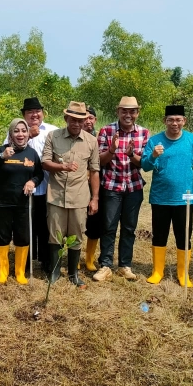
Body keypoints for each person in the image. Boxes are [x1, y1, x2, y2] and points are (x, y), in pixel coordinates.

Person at [140, 105, 193, 286]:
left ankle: (183, 273)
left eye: (178, 120)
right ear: (164, 121)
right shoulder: (155, 141)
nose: (174, 123)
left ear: (184, 121)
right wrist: (153, 156)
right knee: (159, 235)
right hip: (160, 197)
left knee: (184, 236)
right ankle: (157, 271)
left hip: (185, 198)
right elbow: (145, 166)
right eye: (170, 120)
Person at [41, 101, 100, 288]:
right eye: (73, 120)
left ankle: (74, 273)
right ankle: (55, 271)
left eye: (80, 120)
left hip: (79, 196)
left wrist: (95, 198)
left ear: (86, 121)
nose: (76, 124)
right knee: (55, 235)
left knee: (77, 235)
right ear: (66, 118)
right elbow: (45, 163)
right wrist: (62, 166)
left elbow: (95, 171)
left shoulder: (91, 141)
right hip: (56, 195)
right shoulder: (53, 136)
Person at [93, 96, 149, 282]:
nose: (128, 114)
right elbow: (98, 162)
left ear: (137, 113)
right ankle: (105, 265)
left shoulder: (143, 133)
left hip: (134, 187)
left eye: (132, 111)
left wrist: (132, 155)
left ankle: (125, 265)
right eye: (124, 110)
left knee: (129, 228)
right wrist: (111, 150)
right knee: (108, 226)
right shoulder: (107, 130)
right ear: (118, 112)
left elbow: (145, 163)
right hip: (111, 186)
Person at [0, 118, 44, 284]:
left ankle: (20, 273)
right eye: (16, 131)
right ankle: (3, 273)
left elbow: (39, 174)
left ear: (28, 133)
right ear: (11, 134)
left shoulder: (32, 153)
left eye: (24, 131)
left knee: (23, 237)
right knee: (2, 237)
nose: (21, 134)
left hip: (23, 204)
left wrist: (32, 181)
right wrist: (1, 157)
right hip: (1, 202)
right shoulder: (3, 150)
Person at [11, 98, 57, 276]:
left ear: (43, 113)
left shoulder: (53, 131)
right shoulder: (18, 130)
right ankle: (26, 262)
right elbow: (8, 149)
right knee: (24, 226)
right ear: (24, 115)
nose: (34, 115)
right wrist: (28, 134)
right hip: (23, 188)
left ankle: (46, 261)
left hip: (47, 186)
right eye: (30, 112)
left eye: (37, 111)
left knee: (45, 226)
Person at [83, 106, 102, 271]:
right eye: (85, 118)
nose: (88, 121)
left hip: (97, 186)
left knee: (94, 224)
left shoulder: (101, 138)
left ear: (95, 120)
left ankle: (89, 259)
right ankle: (73, 257)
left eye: (91, 118)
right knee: (75, 223)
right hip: (77, 186)